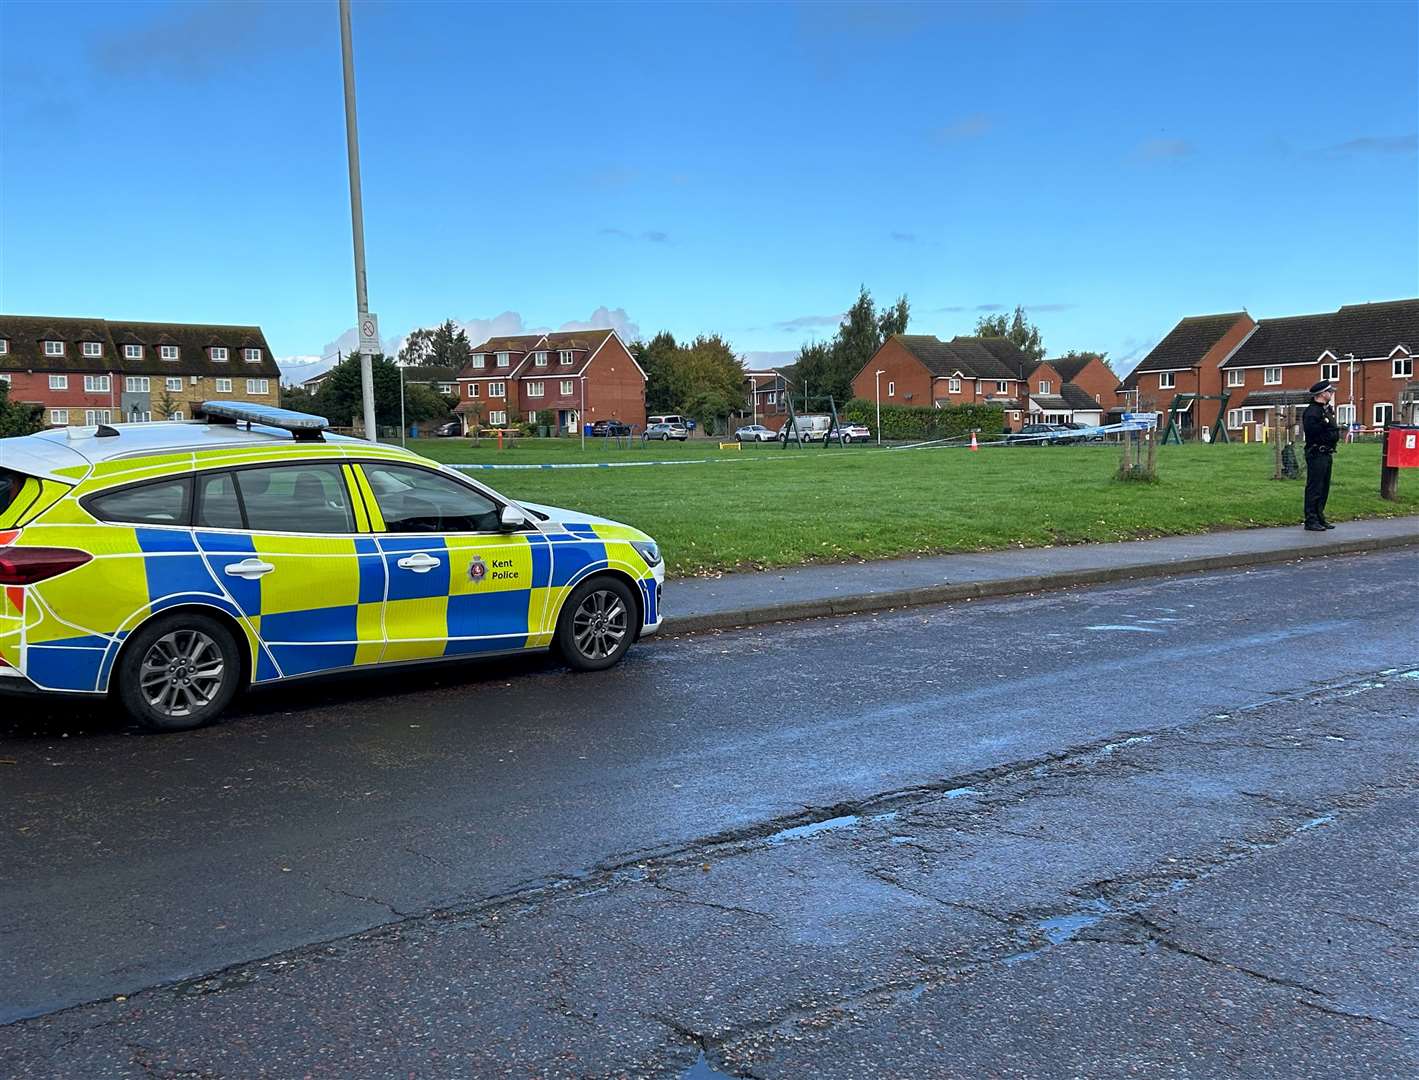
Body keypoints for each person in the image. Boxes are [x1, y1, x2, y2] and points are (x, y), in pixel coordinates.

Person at [1301, 379, 1340, 531]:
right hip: (1317, 452)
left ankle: (1319, 516)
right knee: (1314, 487)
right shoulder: (1312, 412)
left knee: (1324, 487)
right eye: (1330, 392)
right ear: (1322, 394)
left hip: (1326, 452)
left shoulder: (1325, 410)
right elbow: (1313, 433)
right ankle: (1310, 519)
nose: (1331, 394)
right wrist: (1328, 432)